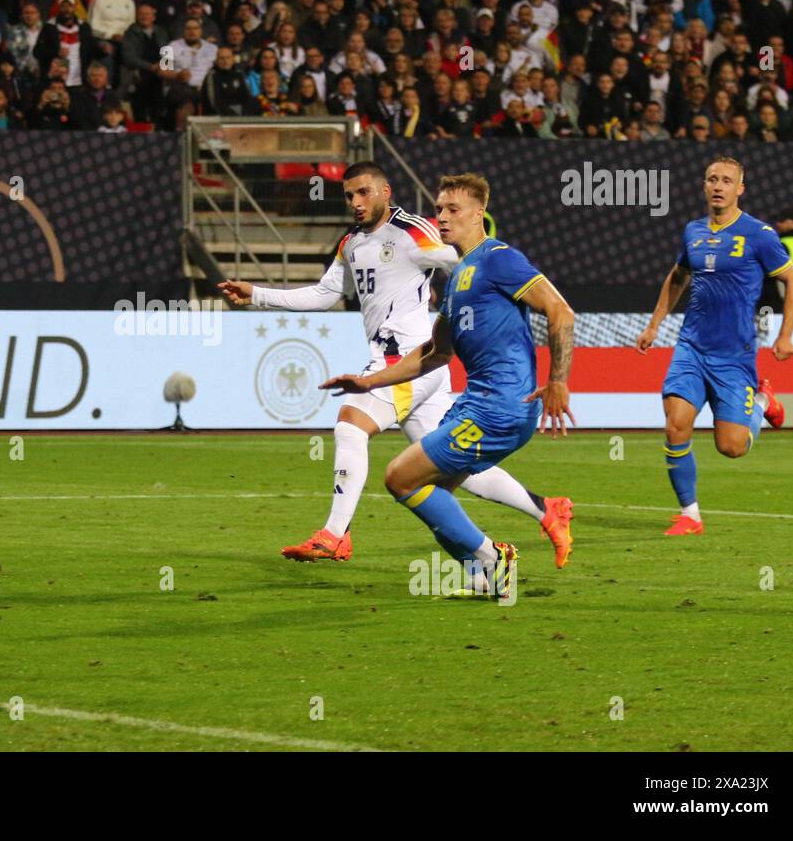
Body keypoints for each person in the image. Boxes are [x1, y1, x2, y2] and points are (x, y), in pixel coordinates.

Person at [219, 163, 574, 568]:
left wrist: (482, 277)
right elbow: (324, 294)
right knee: (444, 468)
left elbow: (463, 260)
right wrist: (258, 295)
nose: (355, 202)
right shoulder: (351, 244)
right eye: (349, 195)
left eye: (364, 193)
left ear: (386, 192)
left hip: (407, 357)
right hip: (416, 365)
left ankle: (336, 534)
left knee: (352, 425)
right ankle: (544, 511)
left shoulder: (416, 232)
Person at [318, 172, 578, 597]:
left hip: (502, 406)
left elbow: (560, 312)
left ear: (479, 215)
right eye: (439, 208)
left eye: (453, 209)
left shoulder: (499, 259)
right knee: (435, 493)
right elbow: (434, 354)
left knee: (400, 478)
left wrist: (558, 381)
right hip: (474, 404)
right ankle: (486, 577)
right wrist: (369, 381)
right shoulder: (458, 277)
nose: (441, 216)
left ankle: (493, 558)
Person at [635, 157, 793, 535]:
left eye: (727, 180)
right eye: (712, 178)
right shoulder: (693, 232)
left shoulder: (758, 234)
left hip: (734, 356)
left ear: (739, 189)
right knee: (676, 424)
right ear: (704, 185)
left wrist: (786, 334)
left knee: (732, 447)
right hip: (691, 347)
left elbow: (792, 280)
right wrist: (654, 323)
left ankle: (762, 402)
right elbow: (677, 276)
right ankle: (690, 515)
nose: (718, 185)